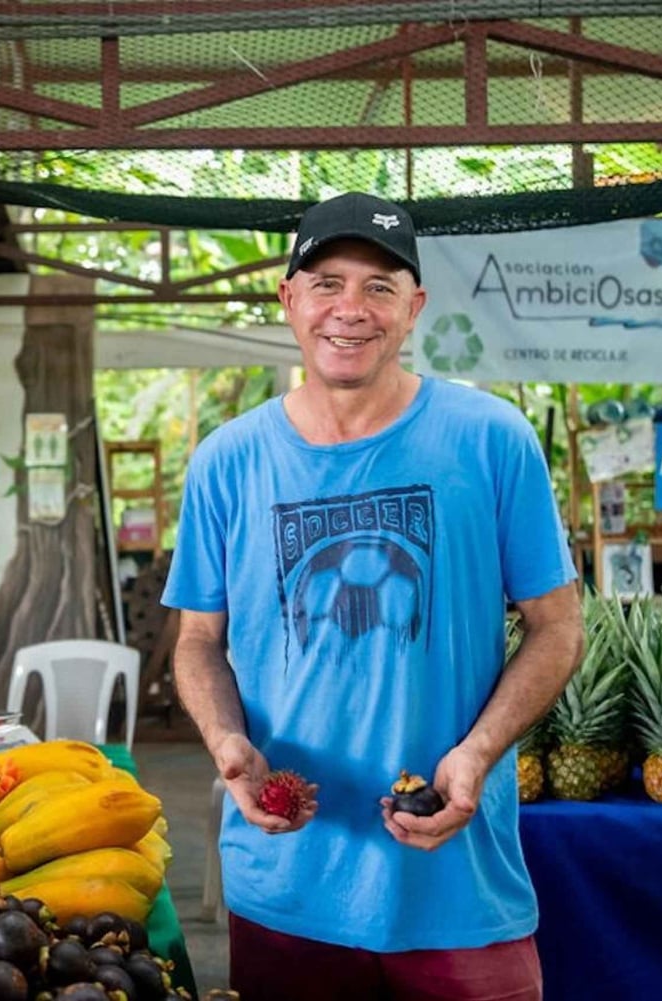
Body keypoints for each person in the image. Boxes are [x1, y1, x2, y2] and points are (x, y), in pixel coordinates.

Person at [162, 192, 584, 1001]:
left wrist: (478, 752)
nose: (349, 309)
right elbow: (197, 641)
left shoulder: (492, 439)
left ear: (414, 307)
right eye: (325, 282)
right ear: (288, 299)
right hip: (288, 882)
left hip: (458, 885)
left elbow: (558, 627)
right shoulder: (227, 461)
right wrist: (227, 741)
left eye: (379, 286)